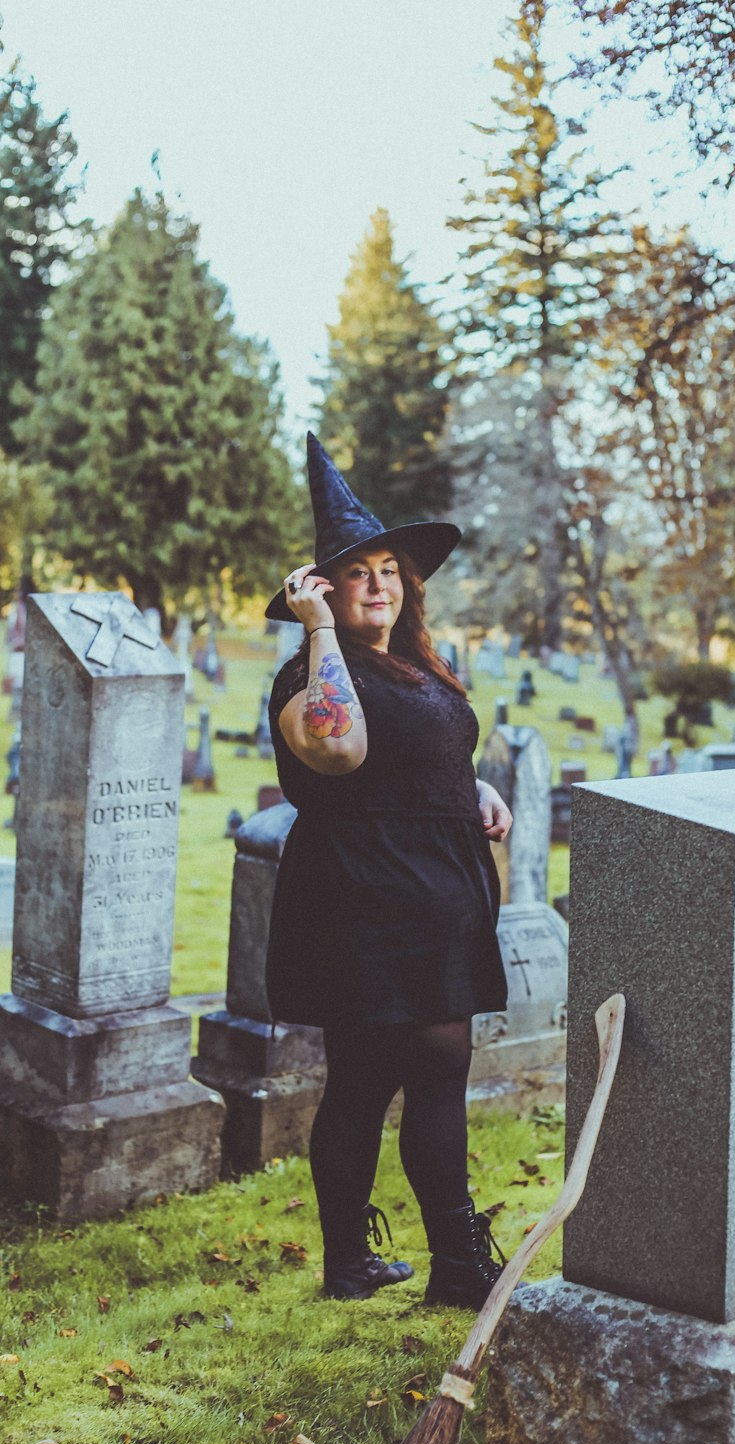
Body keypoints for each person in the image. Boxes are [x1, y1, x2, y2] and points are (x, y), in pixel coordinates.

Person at [264, 434, 513, 1310]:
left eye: (391, 570)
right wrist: (322, 629)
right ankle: (449, 1263)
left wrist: (470, 784)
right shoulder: (309, 674)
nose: (380, 583)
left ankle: (366, 1267)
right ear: (323, 589)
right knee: (413, 1070)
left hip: (437, 894)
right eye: (358, 571)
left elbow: (418, 750)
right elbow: (339, 751)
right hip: (363, 903)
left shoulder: (418, 666)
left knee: (378, 1078)